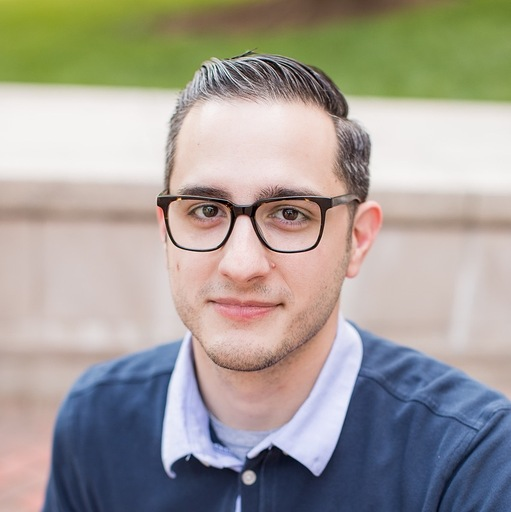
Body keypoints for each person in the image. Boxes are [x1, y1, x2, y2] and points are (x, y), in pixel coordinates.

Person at [42, 52, 511, 511]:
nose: (241, 265)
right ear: (166, 230)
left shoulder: (471, 460)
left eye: (290, 214)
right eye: (206, 210)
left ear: (357, 239)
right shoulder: (95, 422)